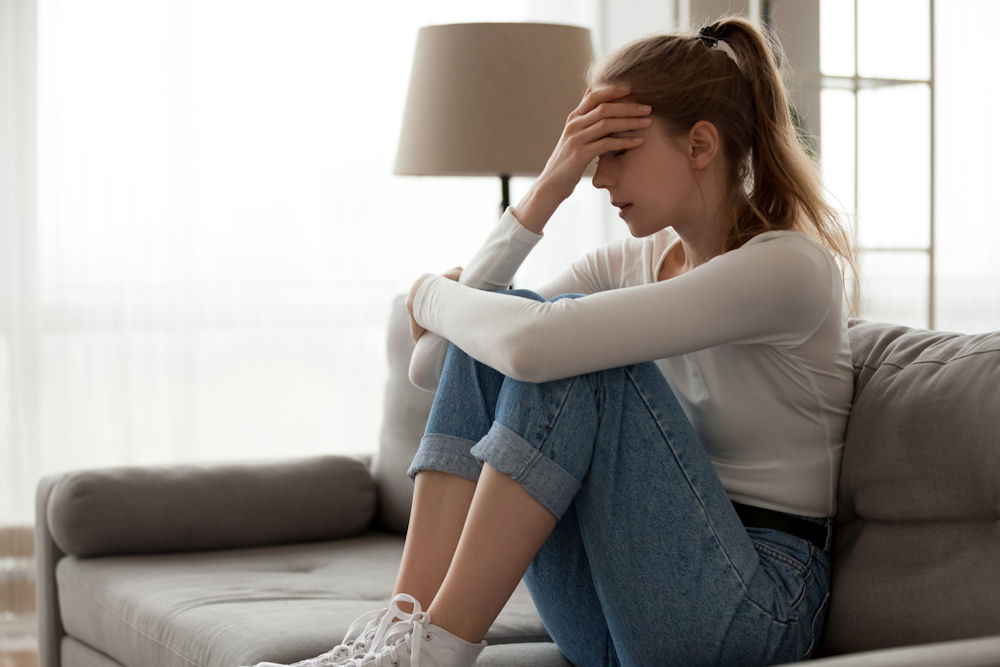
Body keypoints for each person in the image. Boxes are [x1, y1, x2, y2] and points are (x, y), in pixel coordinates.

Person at [255, 15, 855, 667]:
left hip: (753, 608)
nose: (597, 180)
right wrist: (547, 186)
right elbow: (435, 362)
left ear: (701, 145)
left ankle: (436, 653)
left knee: (571, 347)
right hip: (616, 600)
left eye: (615, 152)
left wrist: (432, 293)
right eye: (587, 158)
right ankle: (395, 637)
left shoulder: (789, 268)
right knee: (522, 325)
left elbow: (534, 346)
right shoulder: (626, 265)